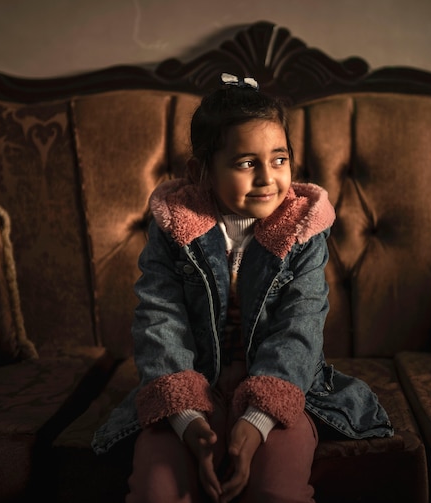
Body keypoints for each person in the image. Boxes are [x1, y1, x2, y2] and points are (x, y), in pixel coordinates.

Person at [92, 73, 393, 503]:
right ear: (202, 172)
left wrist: (258, 418)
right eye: (246, 163)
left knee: (275, 490)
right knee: (159, 490)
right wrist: (186, 418)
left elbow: (300, 328)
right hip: (192, 385)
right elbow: (159, 319)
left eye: (279, 159)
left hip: (281, 389)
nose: (268, 177)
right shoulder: (174, 229)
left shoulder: (303, 231)